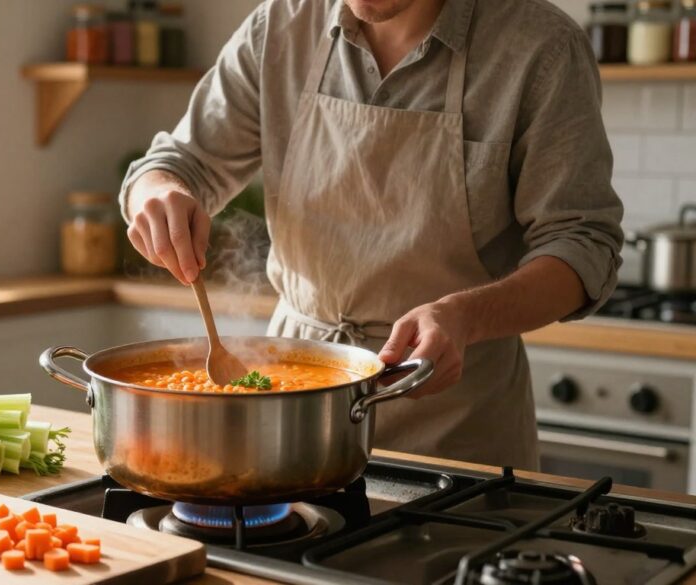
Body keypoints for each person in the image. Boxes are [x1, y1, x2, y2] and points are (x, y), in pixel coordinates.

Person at [118, 0, 623, 469]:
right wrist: (157, 192)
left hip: (456, 428)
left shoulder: (541, 49)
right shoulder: (282, 26)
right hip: (291, 418)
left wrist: (464, 317)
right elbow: (178, 162)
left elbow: (582, 245)